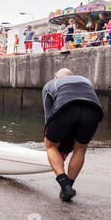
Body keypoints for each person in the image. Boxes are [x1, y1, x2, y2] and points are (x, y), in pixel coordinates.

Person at [42, 68, 103, 201]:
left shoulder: (50, 85)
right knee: (80, 148)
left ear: (55, 77)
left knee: (50, 145)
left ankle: (64, 184)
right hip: (94, 110)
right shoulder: (85, 81)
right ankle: (68, 187)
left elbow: (49, 118)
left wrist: (53, 138)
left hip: (66, 107)